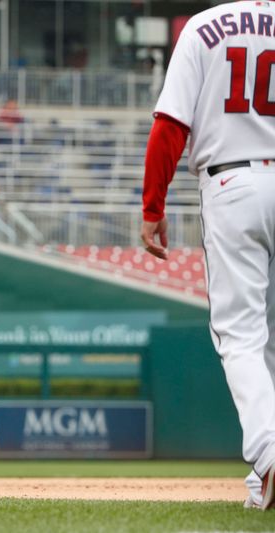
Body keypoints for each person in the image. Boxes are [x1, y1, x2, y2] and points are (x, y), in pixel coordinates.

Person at [139, 2, 275, 511]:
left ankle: (267, 453)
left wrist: (153, 206)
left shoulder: (205, 25)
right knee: (269, 340)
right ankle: (260, 485)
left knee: (241, 335)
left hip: (233, 180)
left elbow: (170, 125)